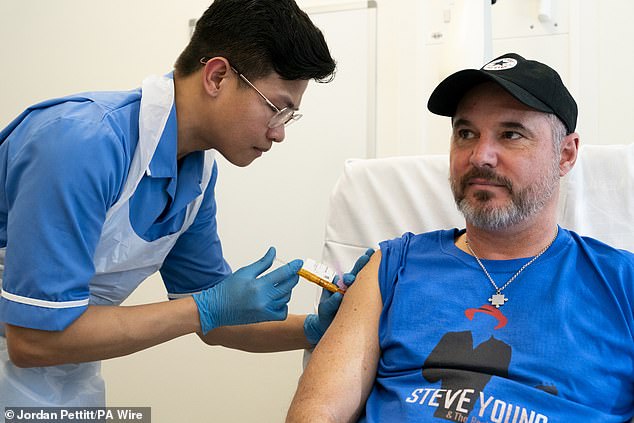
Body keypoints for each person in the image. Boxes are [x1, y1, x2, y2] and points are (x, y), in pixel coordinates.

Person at [0, 0, 373, 408]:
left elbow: (218, 322)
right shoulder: (82, 144)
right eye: (277, 108)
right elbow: (32, 339)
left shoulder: (195, 175)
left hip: (62, 379)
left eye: (289, 117)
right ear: (217, 76)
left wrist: (317, 328)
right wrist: (203, 308)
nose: (279, 133)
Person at [286, 53, 634, 422]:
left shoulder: (621, 284)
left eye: (511, 134)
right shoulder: (392, 267)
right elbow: (318, 411)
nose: (481, 156)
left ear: (565, 154)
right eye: (466, 133)